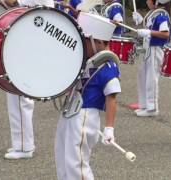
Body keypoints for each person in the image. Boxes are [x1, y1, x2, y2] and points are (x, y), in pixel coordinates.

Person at [55, 12, 121, 180]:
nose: (81, 43)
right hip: (71, 111)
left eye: (84, 40)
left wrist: (109, 127)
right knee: (63, 157)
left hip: (84, 117)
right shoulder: (87, 58)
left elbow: (111, 97)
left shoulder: (108, 65)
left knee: (78, 165)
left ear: (97, 41)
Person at [1, 0, 54, 159]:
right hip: (28, 39)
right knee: (15, 96)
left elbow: (12, 2)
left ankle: (24, 146)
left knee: (19, 95)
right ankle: (21, 143)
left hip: (29, 41)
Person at [131, 0, 171, 117]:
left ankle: (152, 108)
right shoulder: (153, 13)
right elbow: (150, 26)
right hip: (148, 48)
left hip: (156, 49)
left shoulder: (161, 15)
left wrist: (149, 32)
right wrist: (140, 20)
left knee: (151, 78)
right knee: (142, 76)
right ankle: (144, 105)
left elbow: (165, 34)